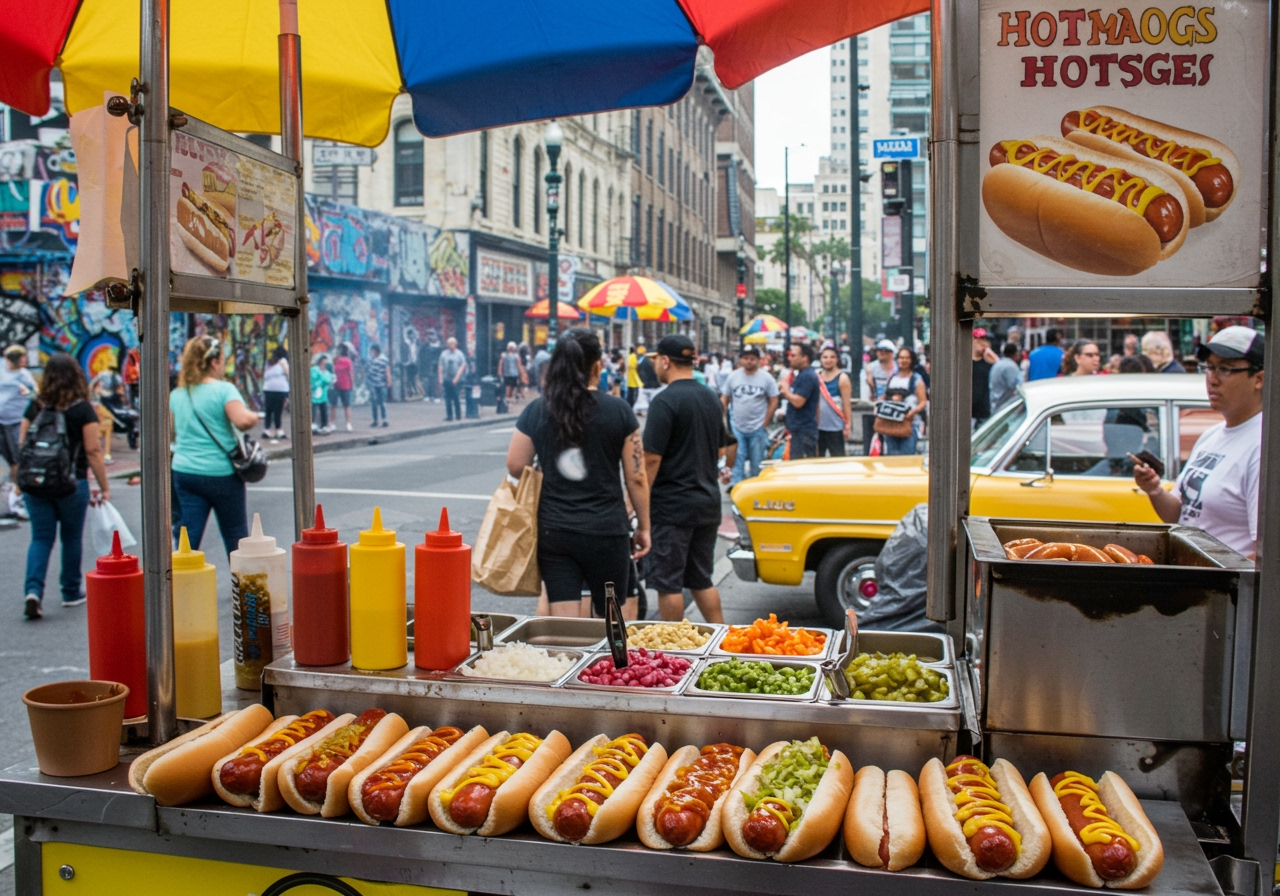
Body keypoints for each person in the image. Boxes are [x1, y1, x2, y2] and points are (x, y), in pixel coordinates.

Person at [506, 328, 649, 618]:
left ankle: (565, 662)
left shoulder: (538, 409)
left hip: (555, 530)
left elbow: (515, 464)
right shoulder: (618, 411)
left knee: (563, 622)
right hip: (607, 531)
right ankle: (609, 663)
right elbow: (636, 476)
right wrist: (644, 527)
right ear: (598, 365)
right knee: (610, 619)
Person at [1134, 326, 1263, 558]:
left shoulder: (1264, 447)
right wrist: (1153, 489)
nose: (1212, 379)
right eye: (1210, 367)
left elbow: (1264, 556)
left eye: (1225, 369)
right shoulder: (1211, 436)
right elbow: (1180, 514)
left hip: (1224, 589)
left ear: (1259, 379)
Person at [643, 334, 735, 623]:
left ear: (666, 360)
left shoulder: (664, 401)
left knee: (668, 583)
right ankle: (721, 640)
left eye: (657, 359)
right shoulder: (710, 397)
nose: (656, 365)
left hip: (672, 507)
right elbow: (726, 445)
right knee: (700, 579)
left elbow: (651, 459)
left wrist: (637, 501)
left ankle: (670, 649)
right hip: (707, 503)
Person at [19, 353, 111, 618]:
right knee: (71, 538)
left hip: (36, 483)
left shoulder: (35, 405)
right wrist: (104, 487)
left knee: (40, 538)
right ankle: (71, 591)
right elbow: (93, 450)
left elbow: (24, 443)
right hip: (72, 483)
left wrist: (19, 480)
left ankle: (33, 591)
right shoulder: (82, 409)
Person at [170, 334, 258, 555]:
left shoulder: (178, 394)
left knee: (187, 539)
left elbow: (171, 434)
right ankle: (243, 589)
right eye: (221, 360)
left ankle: (179, 587)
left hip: (185, 472)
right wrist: (254, 415)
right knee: (235, 535)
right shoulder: (223, 390)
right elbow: (242, 420)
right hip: (222, 474)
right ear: (213, 362)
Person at [721, 347, 779, 484]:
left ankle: (755, 485)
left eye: (752, 359)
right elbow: (725, 397)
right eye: (746, 358)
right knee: (737, 457)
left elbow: (774, 399)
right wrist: (724, 418)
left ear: (758, 360)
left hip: (758, 426)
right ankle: (736, 484)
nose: (749, 362)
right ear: (740, 360)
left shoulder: (766, 378)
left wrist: (765, 421)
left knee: (757, 459)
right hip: (737, 425)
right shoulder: (733, 377)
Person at [0, 345, 36, 519]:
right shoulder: (1, 368)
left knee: (17, 461)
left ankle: (18, 497)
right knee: (9, 460)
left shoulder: (25, 375)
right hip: (0, 421)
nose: (25, 361)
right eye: (23, 358)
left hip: (15, 422)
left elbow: (35, 394)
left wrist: (27, 393)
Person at [882, 347, 928, 456]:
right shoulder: (892, 378)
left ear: (911, 360)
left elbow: (922, 402)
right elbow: (885, 396)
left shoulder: (916, 379)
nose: (903, 360)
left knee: (907, 455)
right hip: (891, 424)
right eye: (901, 357)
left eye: (907, 358)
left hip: (909, 424)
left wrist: (912, 412)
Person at [778, 342, 820, 459]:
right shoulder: (802, 375)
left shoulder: (807, 376)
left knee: (800, 466)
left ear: (805, 358)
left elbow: (798, 402)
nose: (789, 358)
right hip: (798, 430)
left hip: (803, 431)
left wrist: (786, 390)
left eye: (794, 355)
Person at [816, 346, 853, 457]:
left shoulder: (842, 378)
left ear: (837, 359)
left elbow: (846, 404)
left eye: (832, 357)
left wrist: (848, 425)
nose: (828, 360)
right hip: (819, 426)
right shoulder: (816, 377)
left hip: (836, 426)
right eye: (825, 357)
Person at [89, 359, 125, 464]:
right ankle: (105, 455)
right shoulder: (111, 377)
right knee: (104, 427)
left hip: (100, 405)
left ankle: (106, 454)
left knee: (105, 428)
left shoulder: (101, 376)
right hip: (98, 406)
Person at [261, 347, 289, 443]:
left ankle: (267, 430)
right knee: (278, 411)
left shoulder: (269, 363)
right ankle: (279, 430)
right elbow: (288, 374)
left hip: (268, 389)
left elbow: (265, 375)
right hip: (280, 389)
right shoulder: (283, 361)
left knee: (268, 410)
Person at [971, 328, 997, 430]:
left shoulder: (990, 361)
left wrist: (994, 359)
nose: (984, 343)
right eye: (979, 340)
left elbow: (1003, 372)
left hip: (985, 412)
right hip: (968, 413)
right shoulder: (964, 361)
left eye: (986, 340)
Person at [438, 337, 468, 421]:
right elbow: (440, 366)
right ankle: (449, 416)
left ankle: (458, 415)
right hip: (447, 378)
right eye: (450, 344)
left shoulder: (459, 354)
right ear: (447, 345)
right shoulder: (443, 354)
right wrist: (440, 378)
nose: (452, 345)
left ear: (456, 344)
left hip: (456, 380)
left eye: (453, 344)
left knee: (456, 397)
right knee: (447, 398)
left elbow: (463, 366)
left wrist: (456, 378)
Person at [989, 341, 1023, 414]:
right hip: (1004, 405)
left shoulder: (998, 364)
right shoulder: (1011, 367)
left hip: (996, 403)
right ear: (1016, 354)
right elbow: (1018, 386)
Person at [331, 343, 355, 432]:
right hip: (339, 385)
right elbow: (351, 374)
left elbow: (350, 374)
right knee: (343, 405)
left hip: (343, 385)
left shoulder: (345, 361)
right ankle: (345, 423)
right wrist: (352, 385)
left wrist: (351, 384)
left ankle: (346, 423)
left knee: (342, 405)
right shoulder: (338, 360)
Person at [367, 343, 391, 428]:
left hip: (381, 383)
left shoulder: (383, 359)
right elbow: (369, 370)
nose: (371, 352)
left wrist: (388, 381)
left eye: (372, 351)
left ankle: (384, 419)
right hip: (373, 383)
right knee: (374, 402)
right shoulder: (371, 359)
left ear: (376, 351)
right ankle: (375, 420)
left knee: (382, 402)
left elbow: (387, 370)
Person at [310, 354, 335, 434]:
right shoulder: (314, 369)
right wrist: (322, 380)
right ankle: (312, 424)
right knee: (313, 410)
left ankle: (324, 426)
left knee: (323, 410)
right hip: (314, 394)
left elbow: (329, 380)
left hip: (323, 395)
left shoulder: (327, 373)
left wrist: (322, 379)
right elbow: (313, 380)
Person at [634, 346, 661, 414]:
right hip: (654, 385)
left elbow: (638, 370)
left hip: (645, 384)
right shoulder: (654, 363)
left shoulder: (641, 360)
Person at [421, 329, 443, 401]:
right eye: (429, 335)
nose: (430, 336)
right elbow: (421, 357)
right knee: (427, 381)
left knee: (435, 381)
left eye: (432, 334)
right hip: (427, 367)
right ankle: (428, 395)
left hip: (436, 367)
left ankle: (436, 396)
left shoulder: (440, 347)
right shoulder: (424, 347)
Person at [401, 327, 421, 400]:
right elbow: (403, 353)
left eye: (413, 334)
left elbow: (417, 353)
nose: (412, 336)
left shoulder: (416, 343)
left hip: (414, 363)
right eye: (411, 334)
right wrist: (404, 361)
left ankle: (415, 392)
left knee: (414, 378)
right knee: (408, 379)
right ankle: (410, 392)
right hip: (407, 363)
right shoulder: (405, 343)